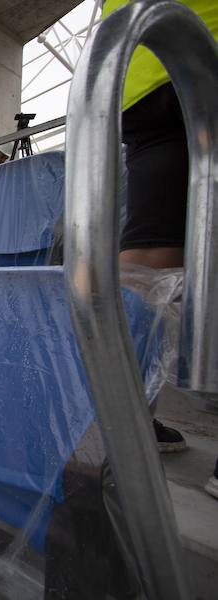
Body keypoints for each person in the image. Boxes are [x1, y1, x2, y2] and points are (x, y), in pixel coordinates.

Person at [102, 0, 218, 491]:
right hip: (200, 51)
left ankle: (120, 422)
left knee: (146, 261)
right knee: (148, 263)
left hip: (142, 70)